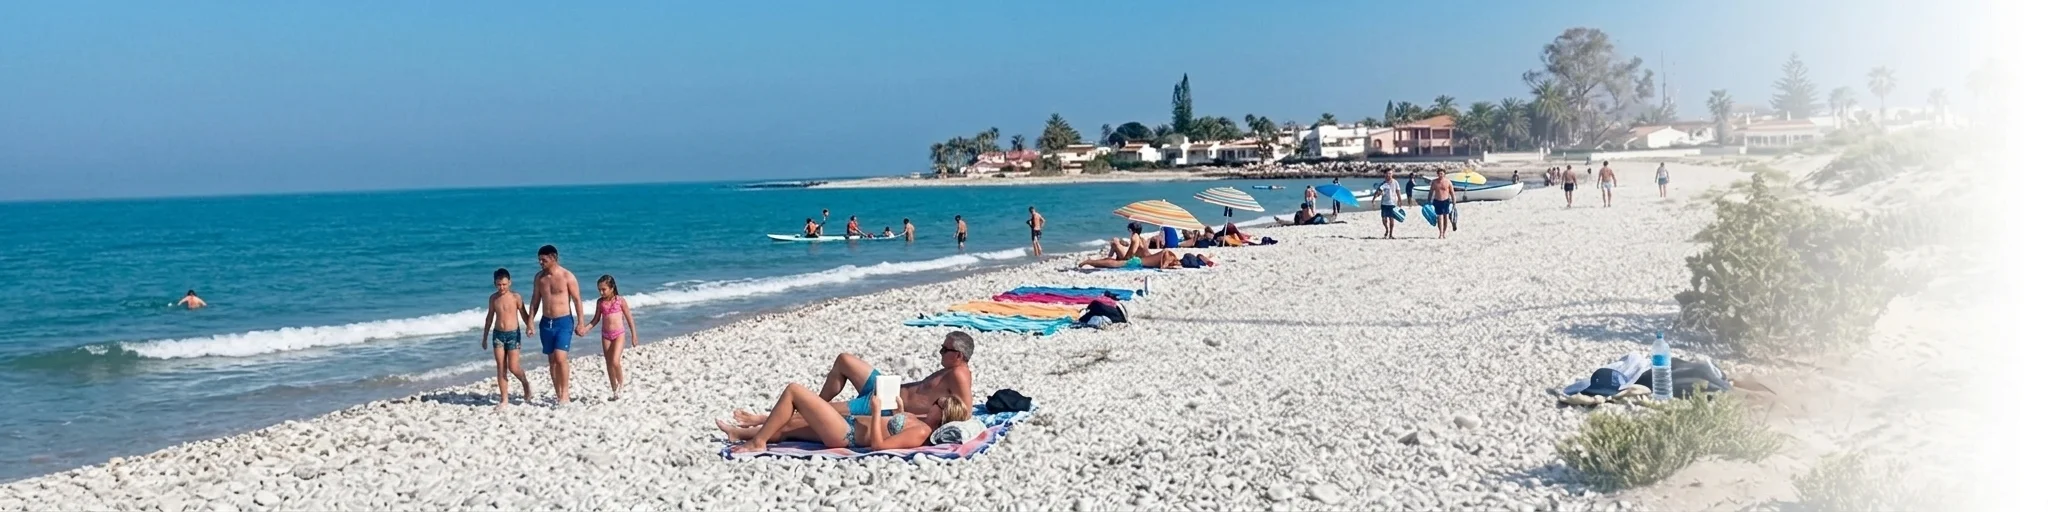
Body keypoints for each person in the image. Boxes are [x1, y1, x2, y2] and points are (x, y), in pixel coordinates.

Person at [727, 331, 978, 431]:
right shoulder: (952, 369)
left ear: (958, 355)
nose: (939, 352)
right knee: (844, 359)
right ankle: (813, 402)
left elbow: (963, 414)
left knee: (821, 413)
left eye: (944, 350)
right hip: (885, 388)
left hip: (884, 405)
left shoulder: (958, 374)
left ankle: (764, 420)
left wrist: (918, 419)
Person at [721, 386, 971, 453]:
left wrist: (874, 414)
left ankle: (759, 442)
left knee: (795, 391)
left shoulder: (921, 433)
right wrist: (899, 410)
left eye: (939, 404)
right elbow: (893, 427)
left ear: (944, 414)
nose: (934, 403)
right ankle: (739, 434)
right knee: (789, 426)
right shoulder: (920, 421)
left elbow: (879, 445)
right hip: (848, 425)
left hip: (846, 435)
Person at [529, 245, 584, 405]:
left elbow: (577, 300)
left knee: (560, 358)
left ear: (554, 258)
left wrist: (581, 322)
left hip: (564, 321)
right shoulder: (539, 278)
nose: (540, 262)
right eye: (539, 259)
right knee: (551, 360)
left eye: (544, 260)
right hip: (546, 323)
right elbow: (535, 300)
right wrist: (530, 322)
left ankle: (565, 394)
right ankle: (558, 394)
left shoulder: (567, 276)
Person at [480, 268, 535, 410]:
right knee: (501, 367)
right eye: (499, 285)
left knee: (513, 367)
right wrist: (485, 337)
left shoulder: (516, 297)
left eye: (504, 284)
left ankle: (525, 383)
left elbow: (524, 314)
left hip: (513, 335)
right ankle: (504, 399)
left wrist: (530, 326)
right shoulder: (493, 298)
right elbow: (489, 318)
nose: (502, 287)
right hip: (498, 335)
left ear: (509, 282)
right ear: (494, 284)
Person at [582, 274, 637, 401]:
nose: (601, 292)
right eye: (599, 290)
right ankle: (614, 390)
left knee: (615, 361)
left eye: (604, 289)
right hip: (606, 335)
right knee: (608, 363)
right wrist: (586, 329)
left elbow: (629, 319)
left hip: (619, 334)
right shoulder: (600, 302)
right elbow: (596, 320)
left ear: (612, 288)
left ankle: (621, 384)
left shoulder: (620, 301)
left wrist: (634, 335)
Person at [1078, 249, 1184, 270]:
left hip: (1139, 262)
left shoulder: (1169, 255)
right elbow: (1163, 266)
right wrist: (1170, 266)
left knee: (1112, 263)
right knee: (1112, 264)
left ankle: (1091, 262)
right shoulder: (1168, 255)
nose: (1177, 263)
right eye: (1178, 262)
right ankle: (1089, 261)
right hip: (1137, 262)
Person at [1370, 170, 1401, 239]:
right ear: (1385, 175)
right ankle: (1387, 229)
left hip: (1392, 203)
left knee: (1391, 219)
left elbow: (1398, 191)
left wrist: (1399, 200)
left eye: (1390, 174)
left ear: (1392, 174)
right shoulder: (1383, 184)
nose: (1388, 175)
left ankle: (1391, 234)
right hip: (1384, 204)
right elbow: (1378, 192)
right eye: (1387, 174)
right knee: (1384, 220)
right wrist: (1374, 199)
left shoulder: (1395, 182)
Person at [1429, 169, 1456, 239]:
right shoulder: (1434, 182)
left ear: (1444, 174)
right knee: (1439, 218)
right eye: (1439, 174)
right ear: (1437, 174)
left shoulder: (1448, 182)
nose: (1440, 175)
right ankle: (1440, 233)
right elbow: (1431, 192)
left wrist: (1454, 202)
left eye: (1442, 173)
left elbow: (1452, 193)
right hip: (1437, 201)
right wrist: (1428, 201)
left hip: (1446, 201)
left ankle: (1444, 233)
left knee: (1445, 218)